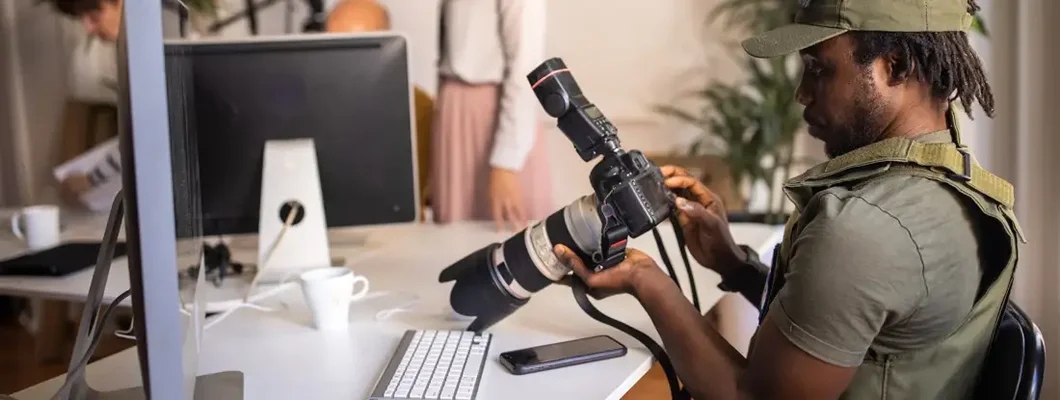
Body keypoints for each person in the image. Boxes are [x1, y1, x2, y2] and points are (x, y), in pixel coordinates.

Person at [554, 0, 1025, 398]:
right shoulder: (946, 182)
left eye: (820, 69)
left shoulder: (870, 227)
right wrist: (734, 265)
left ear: (894, 66)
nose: (801, 93)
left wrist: (645, 278)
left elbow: (748, 395)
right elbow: (852, 329)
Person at [432, 0, 554, 232]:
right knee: (454, 243)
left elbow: (525, 66)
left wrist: (507, 162)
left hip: (494, 118)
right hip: (455, 113)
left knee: (506, 239)